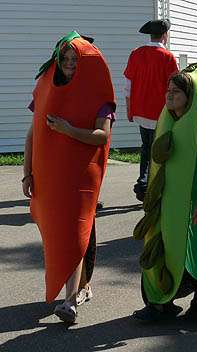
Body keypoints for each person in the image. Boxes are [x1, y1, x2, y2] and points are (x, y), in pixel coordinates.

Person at [22, 31, 115, 323]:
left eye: (75, 58)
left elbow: (102, 136)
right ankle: (83, 287)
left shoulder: (99, 94)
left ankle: (70, 300)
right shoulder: (47, 88)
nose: (70, 63)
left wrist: (67, 130)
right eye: (65, 58)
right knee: (62, 233)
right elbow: (33, 133)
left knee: (75, 233)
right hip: (50, 178)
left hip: (81, 180)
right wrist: (27, 172)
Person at [132, 61, 197, 323]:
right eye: (168, 90)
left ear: (189, 97)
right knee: (161, 249)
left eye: (176, 92)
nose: (169, 95)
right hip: (167, 204)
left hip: (194, 206)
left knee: (192, 252)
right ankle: (158, 304)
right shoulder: (168, 122)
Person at [124, 19, 178, 202]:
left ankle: (143, 182)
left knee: (146, 148)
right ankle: (150, 186)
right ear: (164, 35)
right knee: (159, 151)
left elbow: (128, 86)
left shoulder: (135, 54)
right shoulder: (168, 57)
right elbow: (175, 87)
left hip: (140, 111)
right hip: (160, 113)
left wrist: (129, 110)